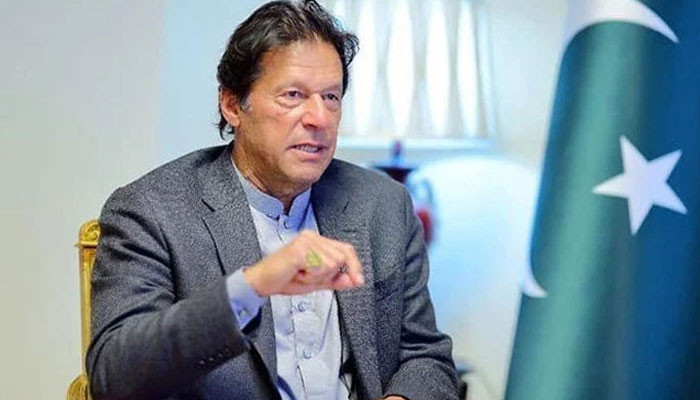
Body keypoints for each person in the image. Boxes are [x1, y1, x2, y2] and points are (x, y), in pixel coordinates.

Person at [86, 1, 459, 399]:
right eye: (293, 95)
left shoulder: (383, 205)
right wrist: (254, 285)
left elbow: (426, 357)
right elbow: (114, 376)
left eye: (331, 97)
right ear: (233, 105)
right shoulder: (153, 210)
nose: (319, 118)